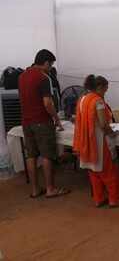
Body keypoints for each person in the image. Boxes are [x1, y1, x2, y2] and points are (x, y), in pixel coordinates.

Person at [18, 49, 70, 198]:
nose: (50, 68)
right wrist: (57, 120)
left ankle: (35, 190)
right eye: (51, 65)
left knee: (31, 155)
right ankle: (50, 189)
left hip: (26, 122)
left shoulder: (22, 76)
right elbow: (47, 103)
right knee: (47, 155)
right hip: (41, 121)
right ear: (46, 63)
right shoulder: (43, 78)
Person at [73, 75, 119, 208]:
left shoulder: (82, 99)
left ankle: (99, 199)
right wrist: (113, 133)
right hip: (99, 142)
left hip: (85, 140)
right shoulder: (97, 101)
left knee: (93, 171)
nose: (106, 92)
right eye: (105, 89)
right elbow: (103, 124)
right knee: (110, 172)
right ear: (99, 87)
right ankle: (115, 200)